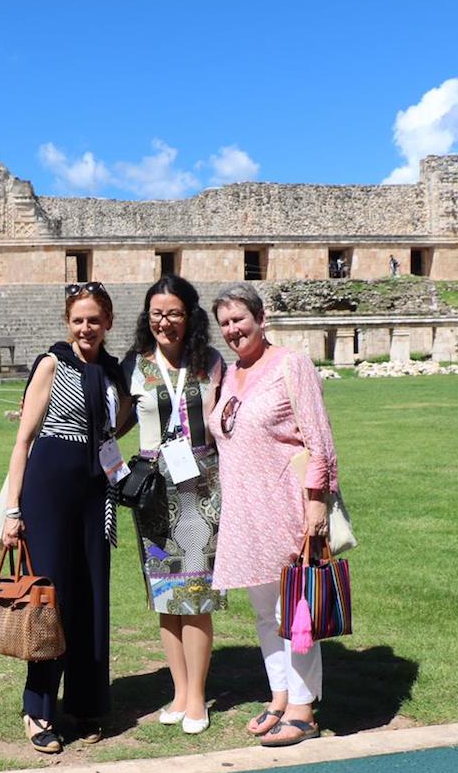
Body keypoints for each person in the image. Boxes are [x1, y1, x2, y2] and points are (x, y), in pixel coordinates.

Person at [208, 282, 339, 748]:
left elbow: (318, 438)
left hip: (286, 504)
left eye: (239, 319)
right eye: (224, 323)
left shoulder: (291, 365)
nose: (232, 330)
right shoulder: (228, 375)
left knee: (294, 608)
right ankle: (279, 695)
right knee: (265, 612)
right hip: (245, 510)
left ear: (261, 318)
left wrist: (317, 502)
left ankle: (304, 710)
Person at [1, 282, 130, 754]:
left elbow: (122, 423)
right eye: (78, 319)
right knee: (49, 600)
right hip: (50, 489)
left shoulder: (114, 372)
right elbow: (23, 440)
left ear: (108, 322)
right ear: (67, 322)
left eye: (94, 319)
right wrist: (14, 510)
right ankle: (38, 708)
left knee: (90, 596)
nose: (85, 327)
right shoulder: (53, 365)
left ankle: (86, 702)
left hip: (96, 491)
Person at [121, 275, 226, 735]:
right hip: (153, 496)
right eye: (157, 314)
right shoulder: (133, 367)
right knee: (166, 595)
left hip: (202, 491)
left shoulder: (212, 363)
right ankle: (180, 693)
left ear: (190, 317)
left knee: (196, 594)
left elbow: (229, 419)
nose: (165, 322)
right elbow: (116, 424)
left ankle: (199, 698)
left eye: (174, 313)